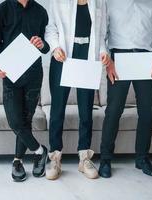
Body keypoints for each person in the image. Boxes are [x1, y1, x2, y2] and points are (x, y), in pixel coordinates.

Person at [99, 0, 152, 178]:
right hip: (118, 58)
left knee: (147, 112)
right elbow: (101, 35)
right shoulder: (110, 3)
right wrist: (108, 63)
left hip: (146, 59)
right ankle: (105, 160)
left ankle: (142, 158)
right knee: (113, 111)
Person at [45, 0, 110, 180]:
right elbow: (51, 28)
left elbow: (102, 32)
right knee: (57, 110)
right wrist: (55, 47)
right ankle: (55, 157)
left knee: (86, 110)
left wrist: (103, 51)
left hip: (88, 57)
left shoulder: (100, 2)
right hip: (63, 57)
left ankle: (84, 158)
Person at [0, 0, 50, 182]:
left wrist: (42, 44)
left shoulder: (41, 11)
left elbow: (47, 47)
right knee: (15, 121)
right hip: (11, 73)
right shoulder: (0, 10)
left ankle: (18, 160)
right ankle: (40, 151)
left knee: (25, 120)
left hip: (33, 74)